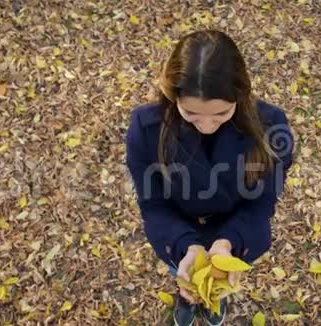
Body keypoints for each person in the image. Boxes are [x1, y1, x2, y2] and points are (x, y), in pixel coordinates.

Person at [125, 30, 294, 326]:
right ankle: (185, 296)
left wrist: (228, 243)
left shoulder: (271, 128)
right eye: (191, 113)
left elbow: (262, 203)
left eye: (221, 113)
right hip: (176, 229)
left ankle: (217, 294)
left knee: (220, 275)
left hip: (236, 227)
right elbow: (153, 206)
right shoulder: (146, 128)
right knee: (183, 272)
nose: (206, 126)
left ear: (240, 97)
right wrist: (184, 246)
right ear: (172, 95)